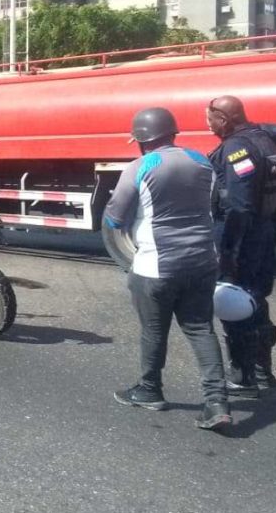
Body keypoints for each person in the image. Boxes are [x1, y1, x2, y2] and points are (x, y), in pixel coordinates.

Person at [104, 107, 231, 431]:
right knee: (201, 328)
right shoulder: (202, 161)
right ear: (172, 133)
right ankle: (217, 402)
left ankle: (150, 390)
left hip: (156, 266)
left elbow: (115, 218)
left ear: (142, 139)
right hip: (203, 261)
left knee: (154, 330)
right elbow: (213, 205)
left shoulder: (140, 166)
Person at [207, 95, 276, 397]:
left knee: (233, 302)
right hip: (264, 231)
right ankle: (263, 371)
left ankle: (243, 377)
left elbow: (239, 205)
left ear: (224, 119)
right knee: (256, 298)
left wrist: (228, 252)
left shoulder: (237, 148)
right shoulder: (265, 138)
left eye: (210, 119)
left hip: (243, 236)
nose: (209, 125)